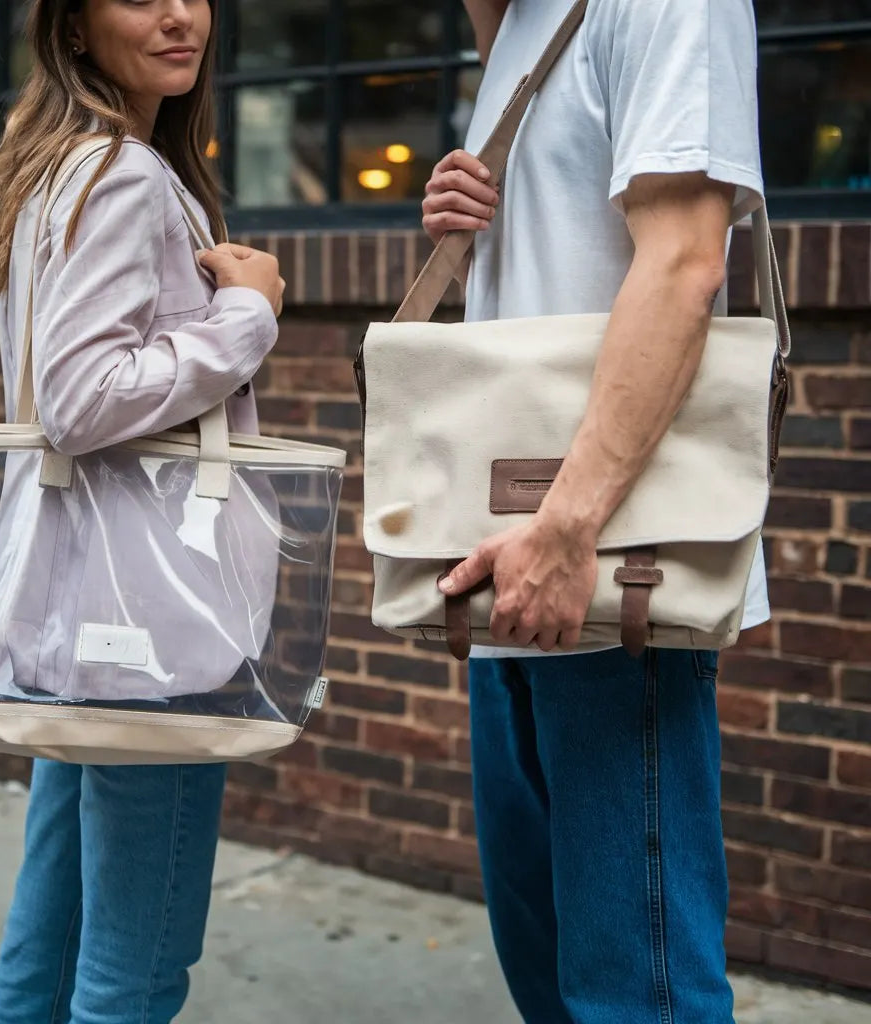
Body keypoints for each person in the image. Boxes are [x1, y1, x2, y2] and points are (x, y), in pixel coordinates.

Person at [426, 1, 767, 1021]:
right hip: (514, 562)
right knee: (552, 976)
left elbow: (684, 264)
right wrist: (466, 228)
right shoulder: (521, 28)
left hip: (610, 573)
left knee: (637, 993)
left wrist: (569, 526)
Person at [0, 2, 285, 1021]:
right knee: (135, 964)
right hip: (150, 620)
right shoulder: (124, 176)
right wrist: (249, 311)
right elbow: (80, 398)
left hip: (87, 610)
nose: (180, 14)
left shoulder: (63, 167)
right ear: (72, 27)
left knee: (54, 927)